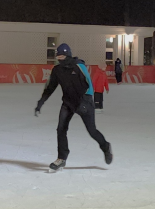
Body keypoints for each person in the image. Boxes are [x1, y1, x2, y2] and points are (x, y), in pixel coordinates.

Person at [35, 43, 113, 172]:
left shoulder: (79, 66)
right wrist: (41, 102)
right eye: (58, 56)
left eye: (62, 55)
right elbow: (49, 88)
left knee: (92, 130)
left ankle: (105, 147)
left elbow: (90, 85)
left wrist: (85, 101)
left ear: (68, 55)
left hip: (84, 101)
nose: (60, 58)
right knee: (61, 129)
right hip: (68, 103)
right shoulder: (57, 70)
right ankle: (61, 158)